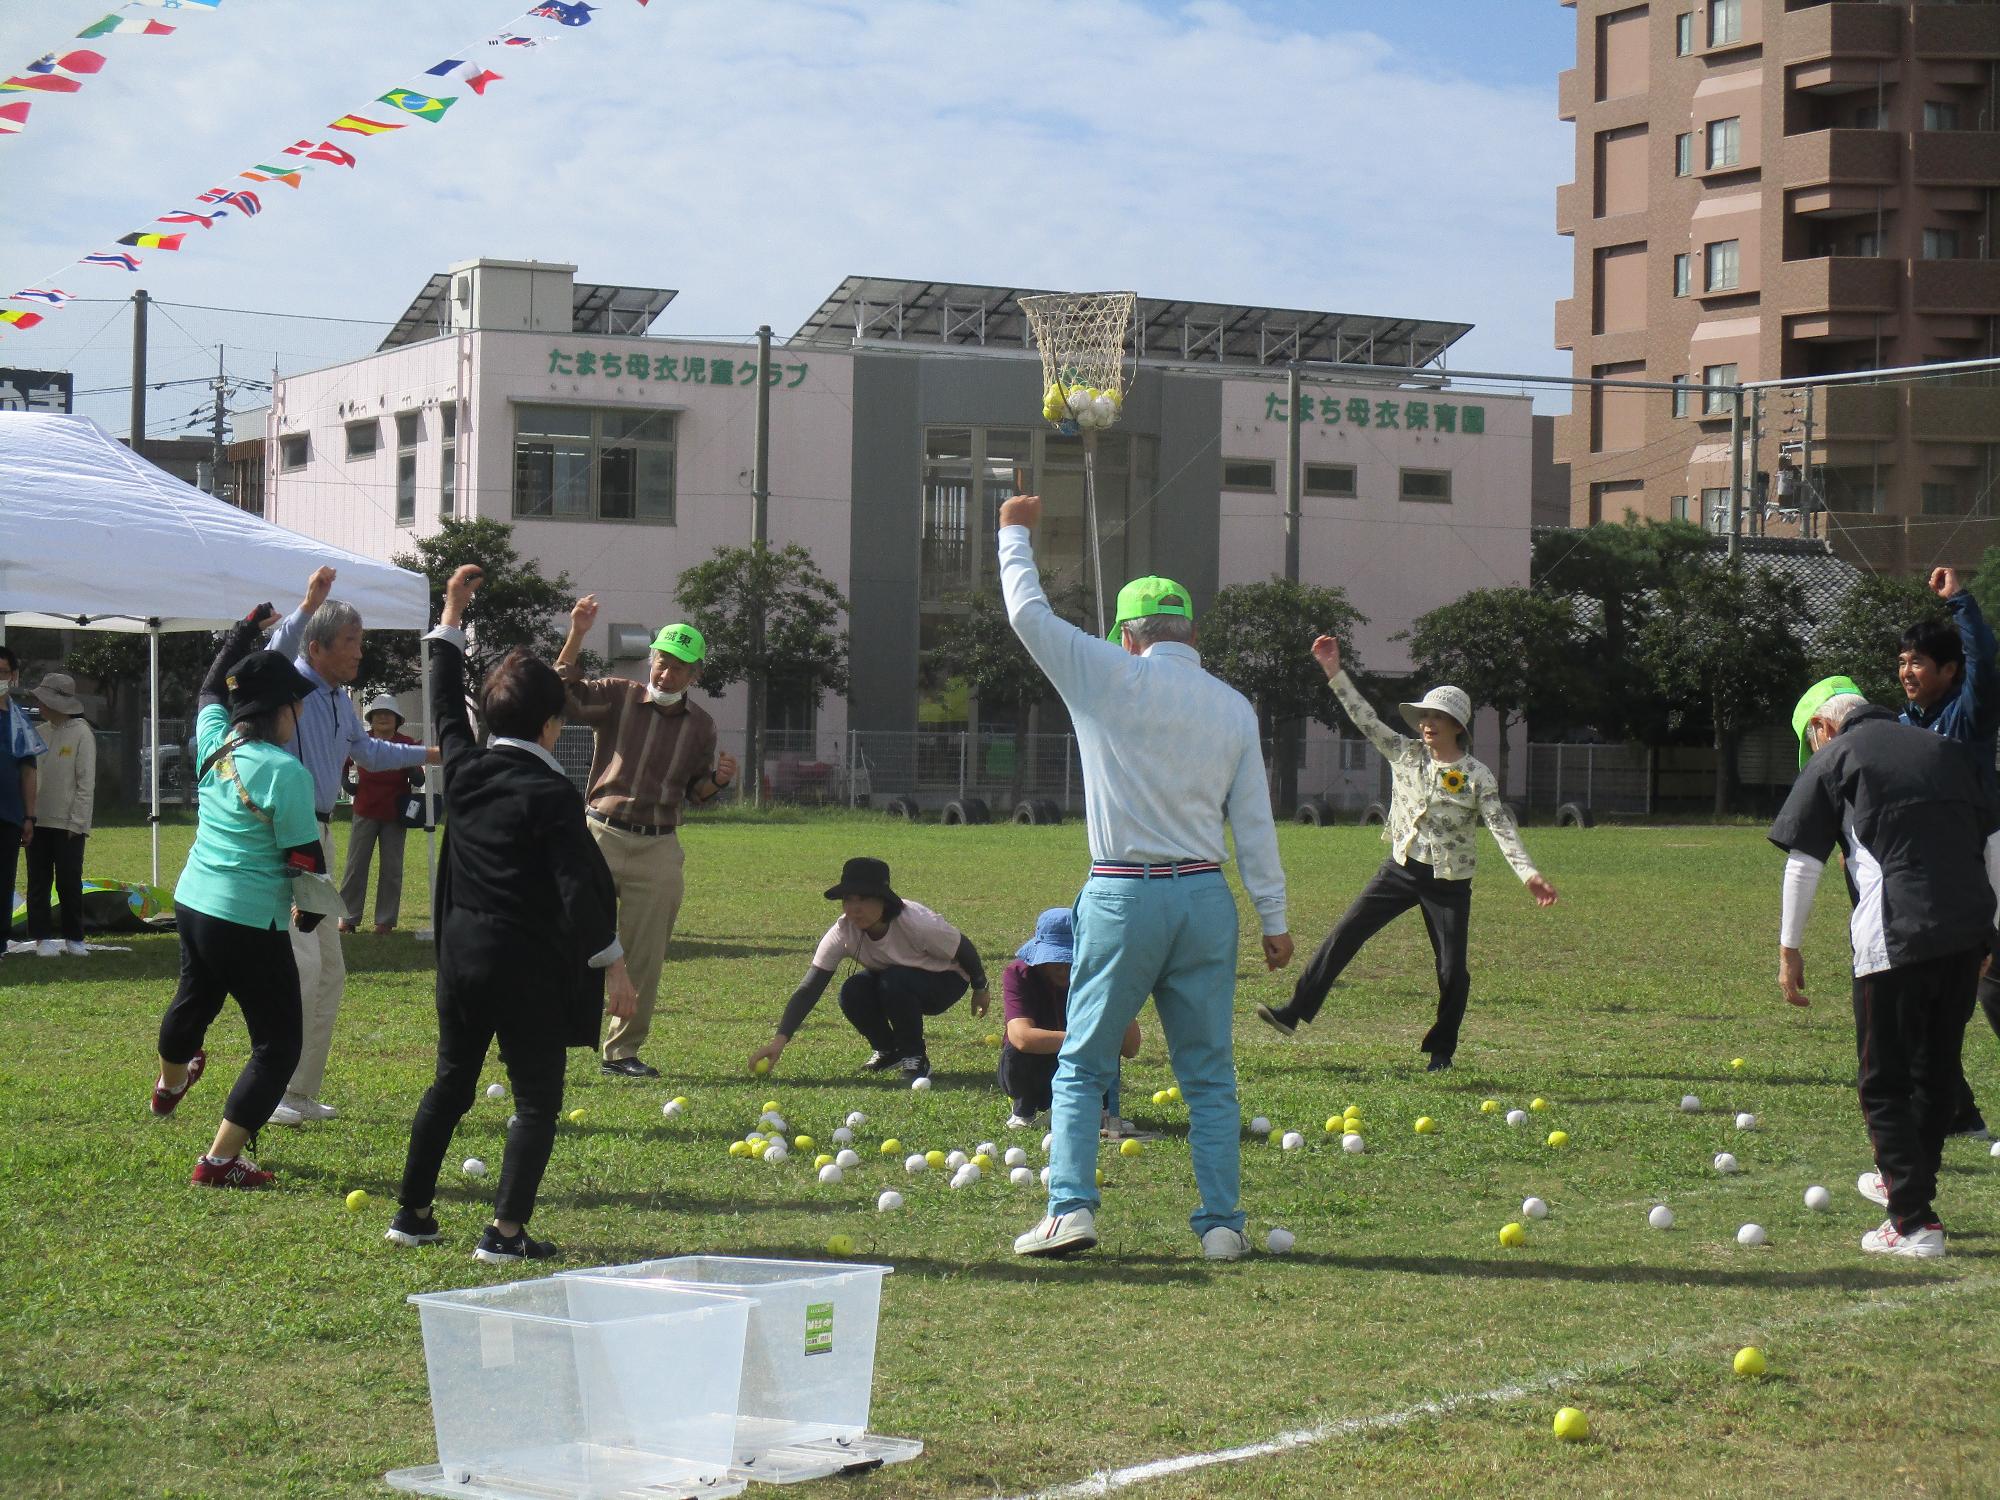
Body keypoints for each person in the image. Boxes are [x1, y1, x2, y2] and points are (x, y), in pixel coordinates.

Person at [996, 495, 1292, 1263]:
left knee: (1084, 1061)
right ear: (1190, 633)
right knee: (1208, 1074)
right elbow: (1253, 820)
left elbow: (1029, 616)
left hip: (1123, 894)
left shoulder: (1104, 673)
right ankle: (1223, 1225)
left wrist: (1015, 533)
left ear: (1127, 638)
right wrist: (1273, 915)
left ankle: (1071, 1211)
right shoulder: (1231, 706)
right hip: (1205, 897)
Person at [387, 566, 637, 1264]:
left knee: (451, 1083)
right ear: (554, 725)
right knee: (534, 1101)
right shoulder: (550, 793)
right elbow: (575, 889)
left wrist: (449, 619)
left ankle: (411, 1213)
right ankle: (504, 1232)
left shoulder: (463, 770)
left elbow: (442, 705)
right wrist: (614, 963)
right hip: (526, 968)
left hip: (461, 960)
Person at [1771, 675, 1999, 1258]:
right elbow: (1994, 843)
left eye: (1810, 741)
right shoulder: (1945, 749)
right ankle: (1905, 1186)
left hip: (1892, 936)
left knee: (1883, 1081)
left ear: (1823, 727)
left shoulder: (1838, 755)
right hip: (1967, 931)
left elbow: (1804, 860)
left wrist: (1789, 948)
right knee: (1935, 1070)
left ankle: (1912, 1222)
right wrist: (1990, 931)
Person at [1257, 638, 1558, 1068]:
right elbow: (1364, 719)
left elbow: (1499, 824)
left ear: (1459, 726)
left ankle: (1442, 1051)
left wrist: (1528, 873)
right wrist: (1333, 672)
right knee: (1344, 937)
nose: (1429, 723)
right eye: (1426, 716)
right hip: (1399, 870)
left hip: (1449, 883)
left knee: (1453, 970)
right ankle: (1294, 1012)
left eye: (1440, 717)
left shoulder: (1476, 775)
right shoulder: (1405, 753)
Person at [149, 603, 334, 1189]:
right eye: (296, 704)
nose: (300, 712)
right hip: (248, 917)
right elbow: (304, 858)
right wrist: (308, 916)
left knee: (195, 997)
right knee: (279, 1043)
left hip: (193, 901)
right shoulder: (287, 772)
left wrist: (242, 632)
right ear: (283, 711)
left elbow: (209, 686)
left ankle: (171, 1082)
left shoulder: (214, 741)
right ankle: (221, 1161)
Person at [266, 567, 438, 1126]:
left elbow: (366, 753)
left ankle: (301, 1091)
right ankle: (275, 1091)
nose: (360, 652)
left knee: (330, 970)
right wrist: (307, 602)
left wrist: (427, 755)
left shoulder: (341, 698)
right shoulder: (289, 684)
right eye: (351, 642)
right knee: (302, 966)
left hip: (322, 837)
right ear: (316, 647)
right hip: (287, 840)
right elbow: (270, 655)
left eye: (361, 641)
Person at [555, 597, 738, 1079]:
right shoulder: (616, 695)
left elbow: (695, 793)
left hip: (658, 843)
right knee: (566, 937)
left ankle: (622, 1052)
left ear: (694, 675)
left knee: (645, 953)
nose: (665, 674)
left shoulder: (702, 726)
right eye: (661, 661)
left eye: (678, 667)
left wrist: (717, 781)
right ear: (650, 659)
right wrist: (577, 633)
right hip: (599, 833)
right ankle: (548, 1033)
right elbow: (563, 694)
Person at [1894, 566, 2000, 1141]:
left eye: (1919, 662)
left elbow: (1985, 662)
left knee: (1988, 994)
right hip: (1939, 879)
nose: (1908, 672)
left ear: (1949, 671)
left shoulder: (1970, 714)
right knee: (1934, 1003)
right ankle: (1959, 1118)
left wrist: (1960, 603)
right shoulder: (1904, 724)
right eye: (1903, 661)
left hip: (1988, 869)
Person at [747, 857, 988, 1082]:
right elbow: (810, 988)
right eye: (848, 899)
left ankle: (914, 1057)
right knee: (853, 989)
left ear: (883, 899)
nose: (854, 909)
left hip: (945, 980)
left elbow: (963, 947)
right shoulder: (844, 932)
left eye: (863, 898)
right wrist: (779, 1041)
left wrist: (980, 987)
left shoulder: (917, 922)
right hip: (894, 982)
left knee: (895, 980)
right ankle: (888, 1051)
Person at [1001, 906, 1142, 1131]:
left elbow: (1131, 1047)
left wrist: (1117, 992)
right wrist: (1085, 1038)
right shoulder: (1020, 974)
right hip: (1035, 1074)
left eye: (1072, 958)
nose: (1064, 967)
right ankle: (1025, 1111)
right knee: (1016, 1050)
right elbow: (1022, 1038)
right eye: (1057, 959)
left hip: (1085, 1072)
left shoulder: (1100, 975)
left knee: (1108, 1035)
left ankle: (1098, 1110)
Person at [337, 693, 423, 934]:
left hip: (396, 813)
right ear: (371, 719)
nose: (383, 718)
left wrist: (413, 770)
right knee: (356, 865)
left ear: (397, 719)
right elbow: (345, 760)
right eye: (378, 714)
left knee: (392, 869)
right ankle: (348, 917)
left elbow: (419, 773)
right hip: (365, 808)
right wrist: (345, 780)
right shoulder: (362, 740)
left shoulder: (407, 743)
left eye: (388, 714)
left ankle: (385, 921)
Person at [26, 673, 96, 957]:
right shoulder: (39, 732)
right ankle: (42, 937)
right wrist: (27, 815)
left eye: (44, 699)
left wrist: (78, 822)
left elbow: (85, 782)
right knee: (38, 880)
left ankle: (74, 937)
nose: (39, 704)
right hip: (37, 819)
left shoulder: (82, 733)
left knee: (68, 880)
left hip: (68, 824)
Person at [0, 645, 45, 962]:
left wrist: (29, 816)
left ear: (13, 676)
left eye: (2, 672)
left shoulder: (19, 723)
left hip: (9, 814)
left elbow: (29, 771)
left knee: (3, 880)